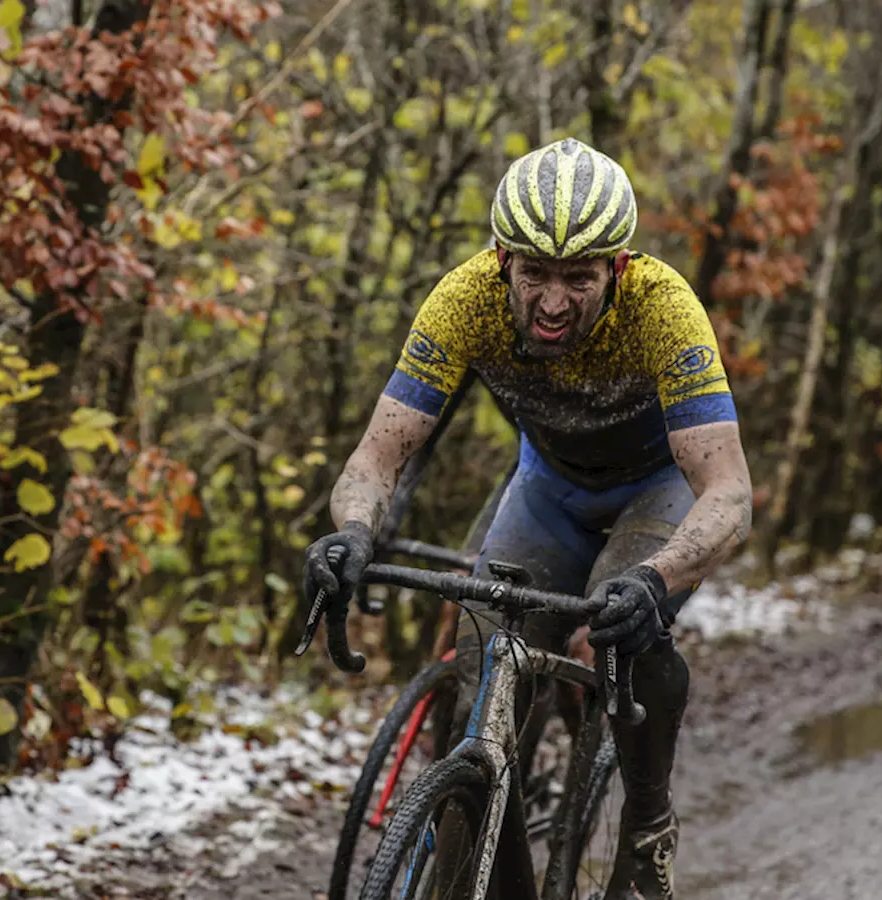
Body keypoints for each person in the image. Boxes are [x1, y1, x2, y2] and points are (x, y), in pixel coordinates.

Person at [302, 137, 752, 899]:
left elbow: (729, 492)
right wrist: (351, 532)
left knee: (623, 641)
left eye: (579, 278)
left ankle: (648, 831)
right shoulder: (464, 299)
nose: (552, 302)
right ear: (502, 258)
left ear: (618, 268)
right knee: (478, 683)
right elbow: (376, 459)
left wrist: (655, 578)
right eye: (535, 274)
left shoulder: (665, 310)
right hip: (548, 491)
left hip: (656, 491)